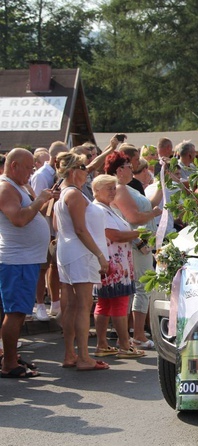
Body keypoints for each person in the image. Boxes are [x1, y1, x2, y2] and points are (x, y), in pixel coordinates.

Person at [0, 148, 55, 378]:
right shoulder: (6, 187)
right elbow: (19, 218)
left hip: (25, 260)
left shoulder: (20, 186)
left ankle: (8, 356)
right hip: (16, 261)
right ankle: (9, 364)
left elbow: (32, 212)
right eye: (29, 166)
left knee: (14, 311)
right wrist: (40, 199)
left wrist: (46, 199)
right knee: (16, 313)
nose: (32, 171)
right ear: (14, 166)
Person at [54, 151, 110, 371]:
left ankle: (71, 354)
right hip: (80, 253)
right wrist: (99, 254)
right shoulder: (74, 195)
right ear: (72, 171)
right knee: (83, 305)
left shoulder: (66, 193)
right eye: (82, 168)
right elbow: (80, 229)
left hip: (69, 252)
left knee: (72, 306)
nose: (86, 172)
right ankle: (84, 357)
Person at [105, 152, 162, 349]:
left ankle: (134, 333)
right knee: (142, 287)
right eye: (128, 165)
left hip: (141, 240)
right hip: (136, 243)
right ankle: (137, 333)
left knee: (140, 287)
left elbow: (149, 205)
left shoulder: (127, 188)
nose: (132, 168)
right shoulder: (120, 189)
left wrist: (163, 184)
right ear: (119, 170)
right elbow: (134, 217)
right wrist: (153, 214)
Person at [91, 175, 145, 359]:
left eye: (114, 188)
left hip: (116, 261)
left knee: (105, 304)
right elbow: (115, 235)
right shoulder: (99, 210)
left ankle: (103, 344)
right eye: (109, 188)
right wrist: (139, 233)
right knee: (118, 304)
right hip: (113, 263)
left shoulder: (107, 208)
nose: (113, 192)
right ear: (97, 190)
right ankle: (124, 345)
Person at [30, 141, 68, 320]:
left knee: (54, 265)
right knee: (42, 267)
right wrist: (50, 197)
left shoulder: (57, 174)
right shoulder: (41, 175)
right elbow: (36, 206)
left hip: (54, 228)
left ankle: (55, 303)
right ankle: (39, 304)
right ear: (55, 159)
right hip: (42, 227)